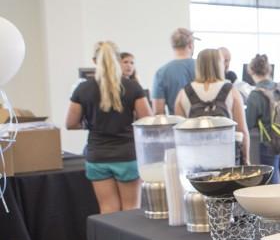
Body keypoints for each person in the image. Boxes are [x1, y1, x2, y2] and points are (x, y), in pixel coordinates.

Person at [66, 41, 152, 213]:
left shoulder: (82, 89)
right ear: (118, 60)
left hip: (98, 156)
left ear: (94, 60)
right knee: (131, 210)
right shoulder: (132, 87)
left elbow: (70, 123)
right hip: (127, 156)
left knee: (108, 210)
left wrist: (89, 123)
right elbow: (147, 120)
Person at [175, 48, 250, 164]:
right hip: (226, 159)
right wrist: (246, 160)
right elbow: (242, 131)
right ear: (219, 64)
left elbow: (180, 136)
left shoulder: (183, 94)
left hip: (196, 160)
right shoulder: (231, 91)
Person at [245, 53, 280, 184]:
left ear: (251, 71)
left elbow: (248, 123)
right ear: (269, 69)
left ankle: (277, 205)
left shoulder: (255, 95)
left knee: (272, 182)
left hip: (269, 142)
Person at [152, 28, 196, 115]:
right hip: (203, 125)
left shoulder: (161, 73)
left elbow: (158, 111)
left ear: (172, 46)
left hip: (176, 126)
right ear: (190, 45)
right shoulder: (204, 68)